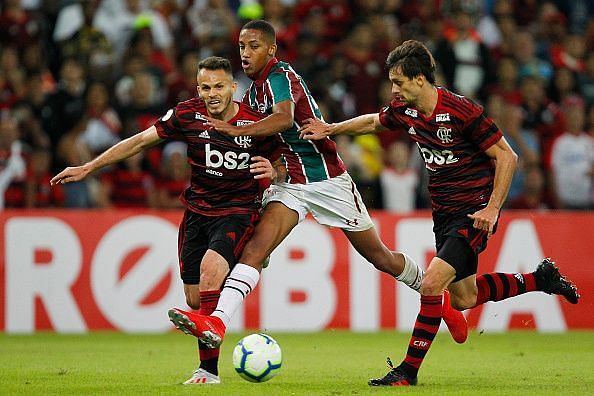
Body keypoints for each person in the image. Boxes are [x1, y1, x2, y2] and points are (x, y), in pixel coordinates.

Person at [167, 20, 468, 355]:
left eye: (254, 46)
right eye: (241, 46)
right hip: (291, 183)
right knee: (255, 250)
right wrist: (274, 166)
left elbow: (283, 119)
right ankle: (218, 321)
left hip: (326, 180)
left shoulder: (281, 76)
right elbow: (272, 142)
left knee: (379, 256)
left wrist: (233, 132)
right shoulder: (252, 94)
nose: (246, 53)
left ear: (271, 49)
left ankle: (440, 302)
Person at [299, 39, 580, 386]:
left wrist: (492, 209)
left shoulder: (462, 111)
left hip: (473, 212)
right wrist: (331, 129)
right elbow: (374, 122)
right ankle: (540, 279)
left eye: (399, 82)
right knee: (464, 297)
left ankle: (408, 371)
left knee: (432, 284)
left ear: (420, 80)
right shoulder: (407, 111)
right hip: (444, 214)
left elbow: (507, 156)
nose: (394, 89)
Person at [51, 56, 284, 385]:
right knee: (195, 298)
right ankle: (245, 267)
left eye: (219, 86)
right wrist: (89, 167)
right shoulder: (187, 114)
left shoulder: (255, 123)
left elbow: (285, 162)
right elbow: (140, 141)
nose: (212, 93)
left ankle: (207, 371)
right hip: (197, 214)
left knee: (210, 271)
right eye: (205, 87)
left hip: (237, 210)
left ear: (234, 87)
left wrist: (273, 172)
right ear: (197, 87)